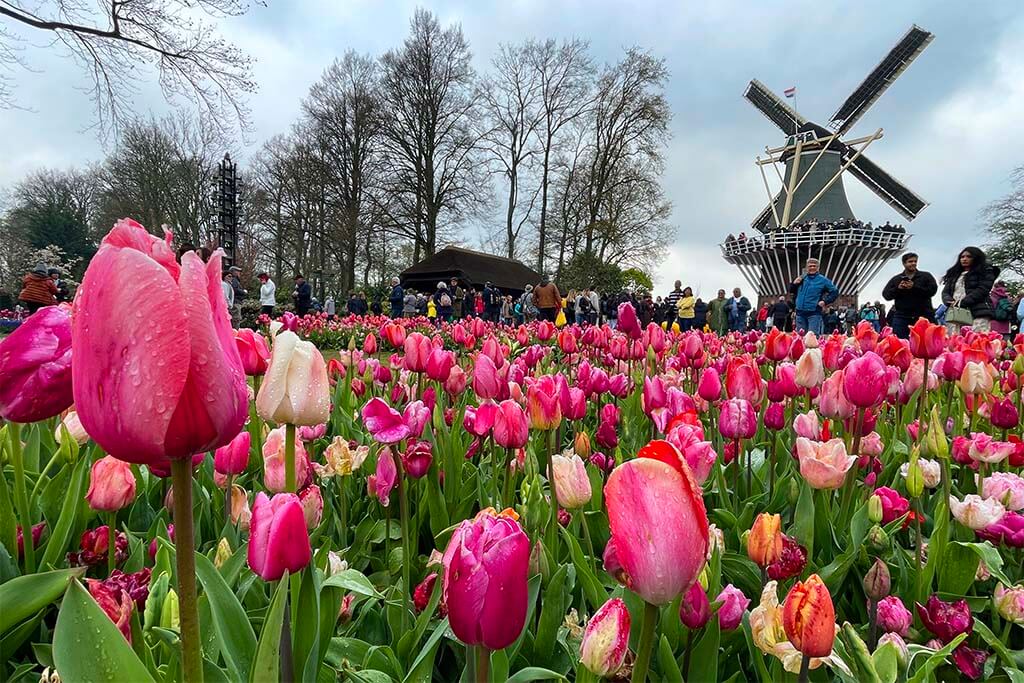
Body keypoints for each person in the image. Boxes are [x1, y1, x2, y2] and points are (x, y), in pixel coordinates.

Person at [940, 246, 998, 334]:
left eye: (969, 257)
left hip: (978, 312)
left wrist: (962, 302)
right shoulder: (954, 275)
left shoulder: (985, 272)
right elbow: (945, 292)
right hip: (956, 313)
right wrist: (949, 301)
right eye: (962, 257)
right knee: (955, 340)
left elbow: (982, 290)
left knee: (977, 340)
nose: (964, 259)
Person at [881, 252, 938, 339]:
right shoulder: (896, 279)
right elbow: (886, 295)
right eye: (910, 261)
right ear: (904, 263)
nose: (913, 263)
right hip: (902, 316)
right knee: (900, 341)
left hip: (923, 315)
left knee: (925, 342)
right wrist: (898, 288)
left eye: (915, 261)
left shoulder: (926, 276)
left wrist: (914, 287)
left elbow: (932, 291)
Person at [788, 259, 839, 335]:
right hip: (800, 312)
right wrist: (794, 284)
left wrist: (825, 301)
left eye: (814, 266)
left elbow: (834, 291)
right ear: (806, 268)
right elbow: (791, 291)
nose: (812, 268)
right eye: (810, 266)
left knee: (812, 337)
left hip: (814, 313)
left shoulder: (823, 280)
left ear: (818, 268)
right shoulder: (802, 278)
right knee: (800, 337)